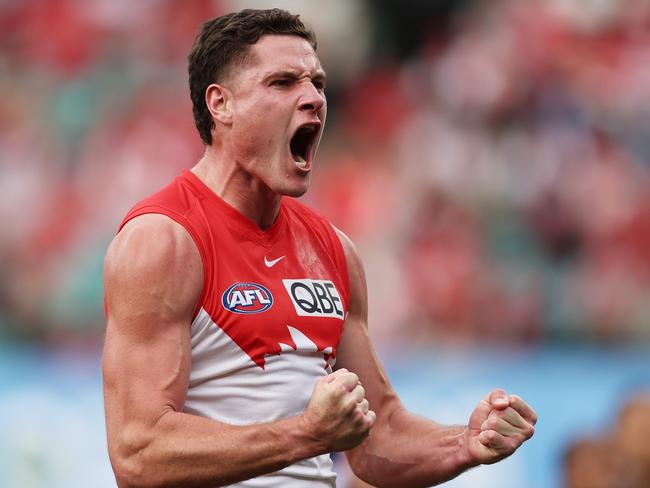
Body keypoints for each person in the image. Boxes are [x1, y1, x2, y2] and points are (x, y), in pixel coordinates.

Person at [102, 8, 537, 488]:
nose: (312, 98)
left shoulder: (333, 250)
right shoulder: (164, 240)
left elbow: (378, 438)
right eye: (283, 83)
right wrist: (305, 435)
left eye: (317, 84)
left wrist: (465, 443)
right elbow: (138, 452)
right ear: (220, 104)